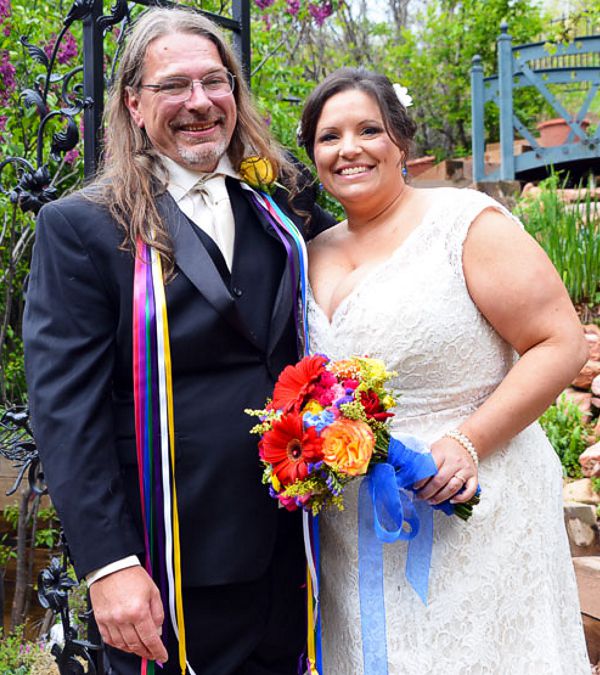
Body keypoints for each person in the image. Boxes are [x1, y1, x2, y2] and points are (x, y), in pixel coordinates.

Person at [23, 7, 333, 675]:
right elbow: (66, 416)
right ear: (133, 103)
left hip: (293, 547)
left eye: (214, 81)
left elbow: (376, 245)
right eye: (173, 86)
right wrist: (109, 564)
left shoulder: (284, 202)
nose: (200, 103)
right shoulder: (82, 227)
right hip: (170, 562)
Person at [299, 67, 591, 674]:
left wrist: (467, 441)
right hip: (352, 528)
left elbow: (559, 342)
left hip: (475, 503)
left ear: (401, 142)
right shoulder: (309, 250)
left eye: (368, 129)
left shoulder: (464, 223)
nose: (348, 149)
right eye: (329, 137)